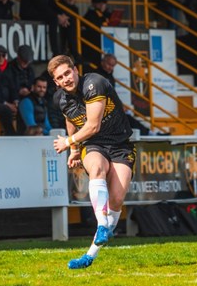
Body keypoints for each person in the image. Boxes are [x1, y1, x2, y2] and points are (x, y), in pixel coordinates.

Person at [49, 54, 134, 270]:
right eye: (60, 77)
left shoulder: (94, 83)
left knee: (116, 199)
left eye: (67, 73)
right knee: (96, 168)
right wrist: (75, 150)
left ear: (75, 70)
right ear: (56, 82)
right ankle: (102, 225)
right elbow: (71, 119)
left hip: (120, 144)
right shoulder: (61, 99)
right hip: (94, 144)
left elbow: (93, 126)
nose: (66, 79)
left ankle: (90, 255)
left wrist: (68, 142)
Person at [82, 0, 111, 67]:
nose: (102, 5)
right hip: (94, 43)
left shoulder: (107, 14)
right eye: (99, 4)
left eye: (103, 4)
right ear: (94, 5)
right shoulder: (90, 14)